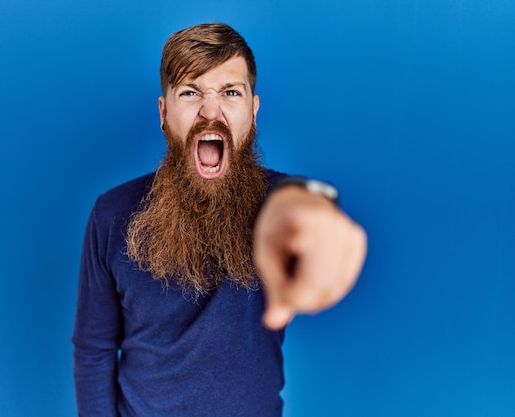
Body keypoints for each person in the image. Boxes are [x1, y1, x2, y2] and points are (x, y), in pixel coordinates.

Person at [72, 22, 367, 417]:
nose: (211, 112)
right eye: (191, 92)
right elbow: (94, 349)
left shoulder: (277, 204)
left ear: (253, 110)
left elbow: (304, 205)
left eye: (230, 93)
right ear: (164, 112)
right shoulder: (111, 214)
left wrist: (315, 211)